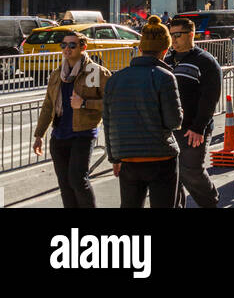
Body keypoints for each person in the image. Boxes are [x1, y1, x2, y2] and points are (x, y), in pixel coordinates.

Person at [103, 15, 183, 209]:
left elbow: (108, 121)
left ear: (140, 48)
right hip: (161, 156)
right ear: (165, 50)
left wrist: (114, 157)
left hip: (128, 158)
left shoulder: (115, 79)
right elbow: (174, 121)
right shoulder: (165, 77)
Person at [33, 29, 110, 208]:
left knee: (77, 179)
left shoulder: (93, 72)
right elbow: (48, 106)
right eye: (64, 45)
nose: (67, 49)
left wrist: (84, 103)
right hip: (59, 135)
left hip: (82, 133)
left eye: (72, 45)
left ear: (83, 47)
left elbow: (111, 101)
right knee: (65, 185)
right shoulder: (57, 74)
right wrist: (39, 135)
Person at [165, 15, 223, 208]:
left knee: (191, 170)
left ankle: (210, 203)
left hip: (193, 128)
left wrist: (199, 127)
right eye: (171, 35)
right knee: (172, 173)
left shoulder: (205, 61)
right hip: (170, 128)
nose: (174, 39)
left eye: (178, 35)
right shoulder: (167, 60)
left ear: (191, 35)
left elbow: (210, 97)